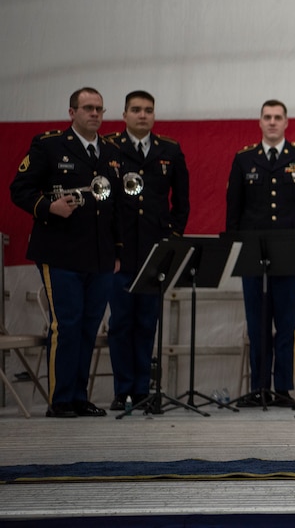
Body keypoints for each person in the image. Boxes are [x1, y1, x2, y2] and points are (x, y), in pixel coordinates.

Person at [9, 86, 122, 418]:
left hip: (99, 255)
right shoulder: (49, 145)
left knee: (89, 326)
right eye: (87, 108)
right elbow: (19, 188)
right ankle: (61, 399)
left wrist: (116, 251)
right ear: (72, 112)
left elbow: (114, 206)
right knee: (67, 324)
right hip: (60, 252)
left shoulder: (111, 151)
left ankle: (79, 396)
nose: (95, 114)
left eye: (99, 109)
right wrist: (48, 206)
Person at [103, 90, 190, 411]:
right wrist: (107, 249)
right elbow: (104, 204)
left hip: (155, 252)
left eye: (148, 110)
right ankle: (121, 389)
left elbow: (181, 203)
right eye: (136, 110)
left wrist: (171, 241)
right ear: (124, 114)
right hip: (120, 253)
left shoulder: (170, 150)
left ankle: (141, 390)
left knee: (146, 323)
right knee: (121, 323)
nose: (143, 115)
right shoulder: (109, 148)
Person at [225, 99, 295, 408]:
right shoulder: (244, 159)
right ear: (260, 122)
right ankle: (259, 386)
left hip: (290, 251)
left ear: (286, 122)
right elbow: (233, 209)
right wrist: (234, 248)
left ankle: (282, 389)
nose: (272, 122)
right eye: (267, 117)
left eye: (278, 117)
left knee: (286, 324)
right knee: (257, 323)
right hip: (253, 253)